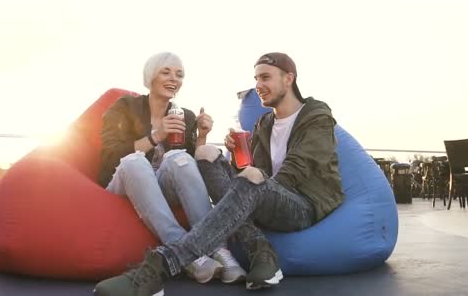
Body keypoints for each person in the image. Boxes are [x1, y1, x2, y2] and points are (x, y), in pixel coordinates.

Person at [94, 52, 344, 295]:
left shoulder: (317, 116)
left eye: (265, 78)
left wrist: (253, 183)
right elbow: (246, 176)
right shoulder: (264, 124)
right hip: (132, 177)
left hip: (302, 203)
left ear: (288, 79)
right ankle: (257, 249)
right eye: (256, 79)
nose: (258, 85)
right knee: (207, 155)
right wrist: (235, 158)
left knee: (243, 178)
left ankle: (165, 263)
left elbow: (291, 172)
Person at [97, 52, 245, 285]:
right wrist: (157, 135)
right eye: (166, 72)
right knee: (135, 161)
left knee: (178, 157)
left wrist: (202, 137)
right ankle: (185, 252)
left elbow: (189, 168)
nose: (173, 79)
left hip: (160, 189)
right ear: (151, 76)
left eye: (179, 75)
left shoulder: (183, 115)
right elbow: (111, 156)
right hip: (123, 183)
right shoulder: (125, 106)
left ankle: (217, 247)